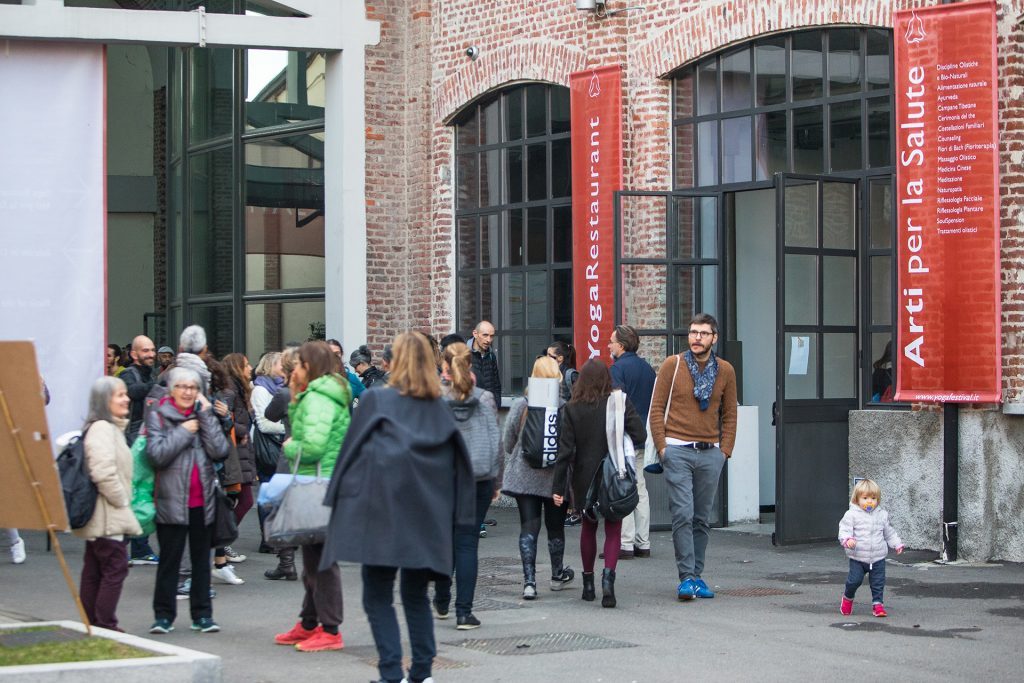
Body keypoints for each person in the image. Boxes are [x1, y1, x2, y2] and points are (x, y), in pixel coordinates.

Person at [320, 332, 475, 683]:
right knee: (416, 595)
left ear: (396, 362)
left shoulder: (377, 401)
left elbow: (351, 454)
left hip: (382, 515)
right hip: (426, 518)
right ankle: (422, 673)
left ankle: (391, 673)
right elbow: (458, 467)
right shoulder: (441, 409)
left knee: (377, 595)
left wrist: (338, 501)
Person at [648, 313, 737, 601]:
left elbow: (730, 414)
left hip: (710, 453)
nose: (697, 337)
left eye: (703, 333)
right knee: (683, 514)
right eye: (693, 332)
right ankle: (685, 577)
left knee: (701, 518)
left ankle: (697, 576)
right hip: (677, 451)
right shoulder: (672, 365)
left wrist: (724, 451)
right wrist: (663, 448)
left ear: (714, 338)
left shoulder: (725, 371)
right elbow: (656, 408)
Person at [272, 341, 351, 652]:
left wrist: (289, 446)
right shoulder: (320, 393)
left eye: (301, 365)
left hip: (319, 484)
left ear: (312, 367)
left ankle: (330, 629)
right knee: (314, 557)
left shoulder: (319, 397)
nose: (295, 370)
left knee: (321, 561)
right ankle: (308, 622)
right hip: (321, 483)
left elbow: (313, 446)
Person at [553, 360, 645, 608]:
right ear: (607, 379)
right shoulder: (619, 404)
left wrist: (558, 488)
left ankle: (588, 584)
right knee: (614, 529)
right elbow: (640, 435)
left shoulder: (572, 409)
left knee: (588, 528)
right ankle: (608, 580)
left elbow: (565, 451)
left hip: (584, 479)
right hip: (613, 475)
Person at [145, 366, 230, 635]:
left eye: (192, 388)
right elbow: (156, 454)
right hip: (171, 500)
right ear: (171, 389)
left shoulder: (201, 414)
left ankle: (203, 615)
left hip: (202, 501)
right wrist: (184, 431)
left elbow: (220, 450)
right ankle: (163, 616)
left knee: (201, 563)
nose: (187, 392)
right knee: (170, 562)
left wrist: (205, 416)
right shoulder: (158, 414)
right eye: (182, 387)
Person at [432, 342, 502, 629]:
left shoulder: (436, 398)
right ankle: (464, 612)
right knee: (467, 543)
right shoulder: (484, 398)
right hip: (479, 478)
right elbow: (496, 442)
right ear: (470, 365)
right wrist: (497, 481)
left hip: (445, 478)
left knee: (445, 539)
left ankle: (441, 597)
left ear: (445, 367)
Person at [502, 356, 575, 600]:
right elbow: (569, 446)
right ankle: (556, 576)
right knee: (555, 528)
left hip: (525, 477)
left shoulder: (521, 405)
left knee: (528, 528)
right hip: (555, 478)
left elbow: (508, 442)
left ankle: (529, 582)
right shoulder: (564, 406)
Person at [75, 376, 143, 631]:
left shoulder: (104, 427)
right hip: (107, 516)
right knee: (115, 568)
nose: (126, 399)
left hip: (104, 514)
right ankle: (105, 624)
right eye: (119, 395)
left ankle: (92, 623)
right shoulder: (103, 429)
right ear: (105, 401)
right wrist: (122, 500)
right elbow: (102, 471)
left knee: (94, 569)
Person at [608, 325, 657, 560]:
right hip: (643, 436)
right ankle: (643, 542)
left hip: (624, 437)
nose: (608, 346)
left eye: (611, 342)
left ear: (621, 345)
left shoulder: (617, 369)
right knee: (640, 489)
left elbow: (617, 406)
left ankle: (625, 543)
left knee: (623, 488)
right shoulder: (648, 369)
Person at [838, 478, 904, 618]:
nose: (869, 502)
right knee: (854, 581)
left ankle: (877, 604)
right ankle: (848, 598)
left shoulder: (881, 515)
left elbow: (889, 532)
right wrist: (848, 539)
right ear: (857, 499)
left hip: (878, 557)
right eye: (865, 498)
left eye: (873, 498)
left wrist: (896, 543)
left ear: (878, 499)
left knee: (878, 583)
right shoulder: (852, 515)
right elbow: (844, 530)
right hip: (858, 557)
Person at [251, 351, 288, 561]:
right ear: (269, 366)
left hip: (280, 445)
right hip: (269, 447)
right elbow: (264, 423)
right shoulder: (261, 389)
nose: (284, 366)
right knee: (268, 493)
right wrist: (288, 427)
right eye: (280, 363)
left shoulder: (280, 387)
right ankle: (268, 539)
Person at [326, 338, 366, 403]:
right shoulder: (316, 378)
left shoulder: (351, 378)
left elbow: (370, 401)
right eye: (330, 353)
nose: (334, 356)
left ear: (342, 354)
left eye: (337, 353)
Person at [469, 320, 500, 401]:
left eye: (491, 336)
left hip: (489, 407)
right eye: (485, 335)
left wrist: (496, 405)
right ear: (475, 334)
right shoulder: (465, 355)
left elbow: (496, 384)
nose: (489, 340)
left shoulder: (491, 355)